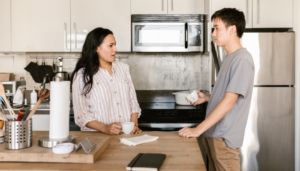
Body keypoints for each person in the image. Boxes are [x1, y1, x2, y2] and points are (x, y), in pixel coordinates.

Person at [178, 8, 255, 171]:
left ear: (232, 29)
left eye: (217, 28)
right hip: (215, 135)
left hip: (224, 138)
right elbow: (228, 95)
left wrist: (197, 130)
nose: (213, 33)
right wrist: (206, 98)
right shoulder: (230, 58)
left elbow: (229, 102)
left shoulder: (242, 59)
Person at [71, 27, 142, 135]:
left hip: (126, 136)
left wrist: (134, 125)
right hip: (97, 137)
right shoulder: (82, 75)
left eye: (115, 45)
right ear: (96, 48)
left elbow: (133, 102)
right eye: (110, 45)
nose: (115, 49)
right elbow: (82, 115)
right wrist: (105, 128)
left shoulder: (123, 68)